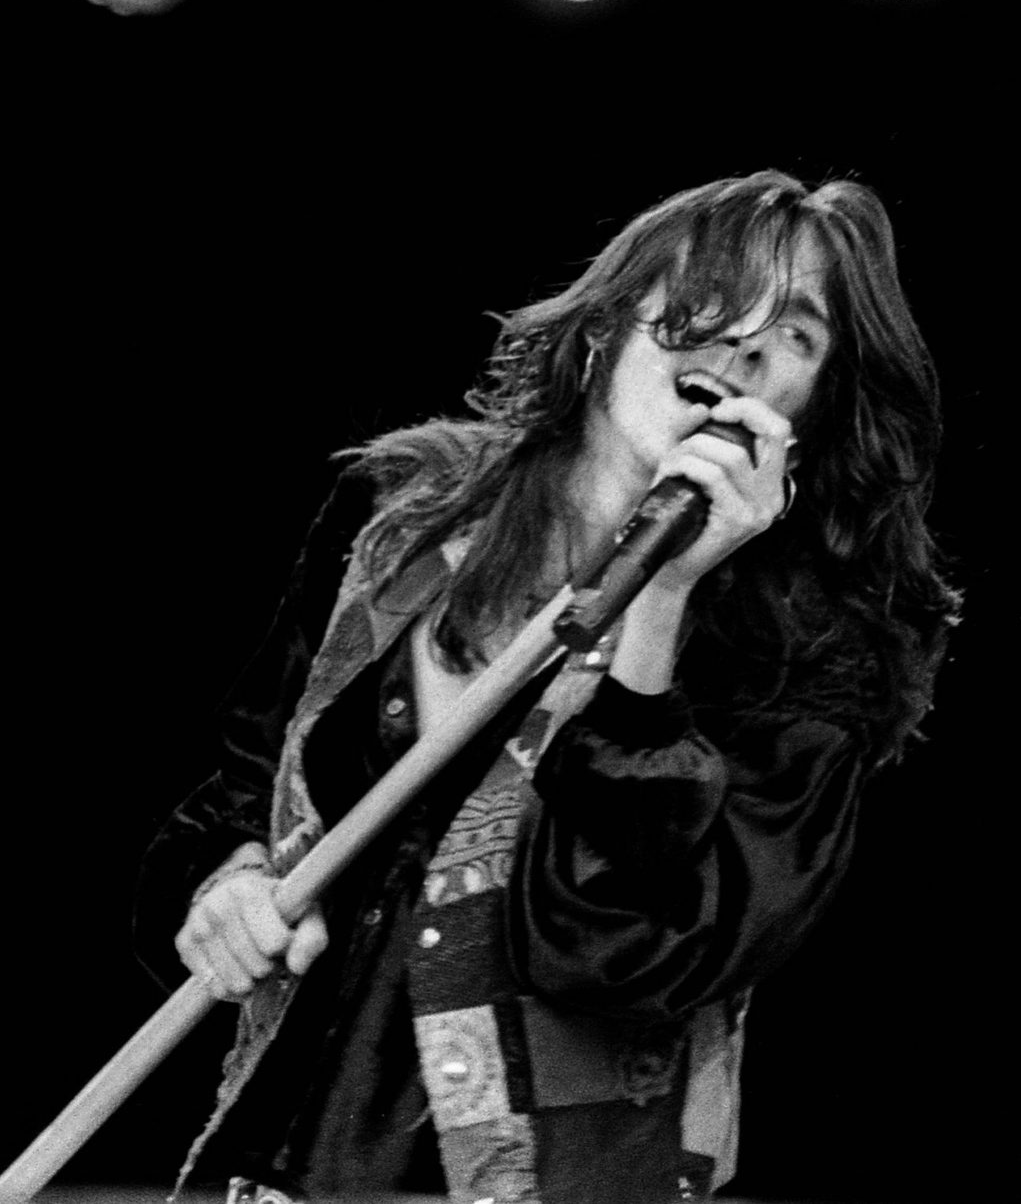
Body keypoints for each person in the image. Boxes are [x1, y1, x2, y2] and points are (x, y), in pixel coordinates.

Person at [134, 169, 962, 1204]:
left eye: (797, 331)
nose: (743, 337)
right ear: (609, 322)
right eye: (712, 291)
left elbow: (613, 959)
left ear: (817, 405)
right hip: (277, 1171)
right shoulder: (401, 515)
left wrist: (659, 603)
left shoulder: (818, 656)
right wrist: (225, 887)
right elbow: (235, 787)